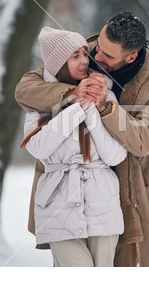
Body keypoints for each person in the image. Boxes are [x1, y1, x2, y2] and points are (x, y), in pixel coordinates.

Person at [15, 12, 149, 267]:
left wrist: (105, 109)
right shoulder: (80, 53)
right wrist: (73, 93)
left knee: (120, 265)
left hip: (125, 186)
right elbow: (27, 89)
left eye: (107, 55)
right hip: (65, 187)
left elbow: (146, 140)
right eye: (97, 46)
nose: (95, 57)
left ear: (131, 56)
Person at [20, 26, 127, 267]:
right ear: (58, 64)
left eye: (84, 53)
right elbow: (38, 147)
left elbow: (115, 156)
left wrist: (93, 108)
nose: (84, 60)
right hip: (58, 201)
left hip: (103, 201)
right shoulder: (40, 99)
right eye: (75, 55)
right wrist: (77, 107)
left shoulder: (105, 94)